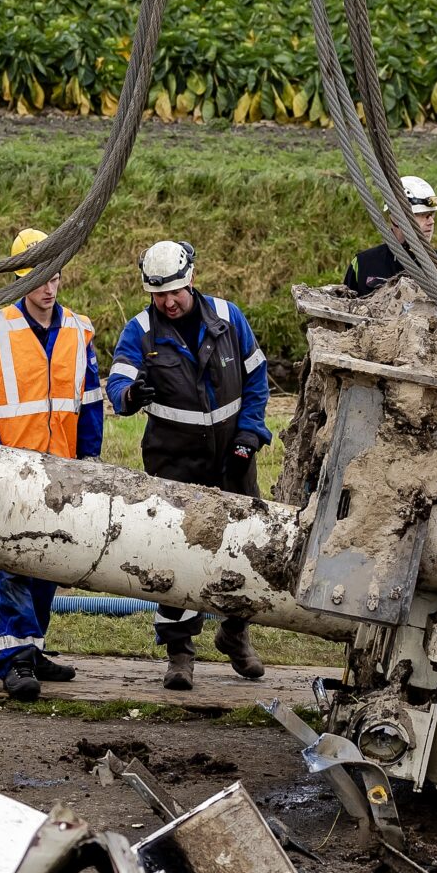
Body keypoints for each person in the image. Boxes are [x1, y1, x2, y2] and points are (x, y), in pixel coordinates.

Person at [106, 240, 271, 690]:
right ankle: (180, 652)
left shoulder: (228, 318)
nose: (169, 302)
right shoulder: (140, 330)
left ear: (191, 279)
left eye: (175, 292)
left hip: (232, 458)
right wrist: (130, 396)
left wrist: (249, 434)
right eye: (159, 295)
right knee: (174, 556)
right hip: (173, 462)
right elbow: (118, 381)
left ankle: (234, 633)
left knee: (245, 549)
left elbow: (257, 378)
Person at [0, 227, 105, 701]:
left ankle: (34, 648)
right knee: (13, 563)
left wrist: (90, 462)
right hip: (11, 469)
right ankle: (15, 659)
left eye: (53, 277)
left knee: (50, 561)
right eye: (37, 278)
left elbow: (89, 403)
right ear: (20, 281)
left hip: (62, 469)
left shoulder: (78, 330)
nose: (47, 287)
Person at [342, 175, 437, 294]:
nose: (431, 221)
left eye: (432, 214)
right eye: (422, 214)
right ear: (396, 218)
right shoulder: (363, 264)